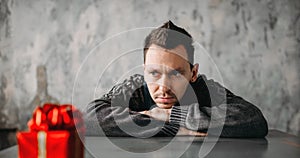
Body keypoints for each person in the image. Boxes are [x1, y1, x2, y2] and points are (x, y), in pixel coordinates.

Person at [85, 20, 268, 138]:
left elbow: (253, 119)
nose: (164, 87)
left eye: (176, 74)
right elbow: (90, 118)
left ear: (193, 73)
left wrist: (169, 114)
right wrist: (174, 129)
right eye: (154, 73)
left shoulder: (204, 89)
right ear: (144, 71)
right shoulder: (136, 87)